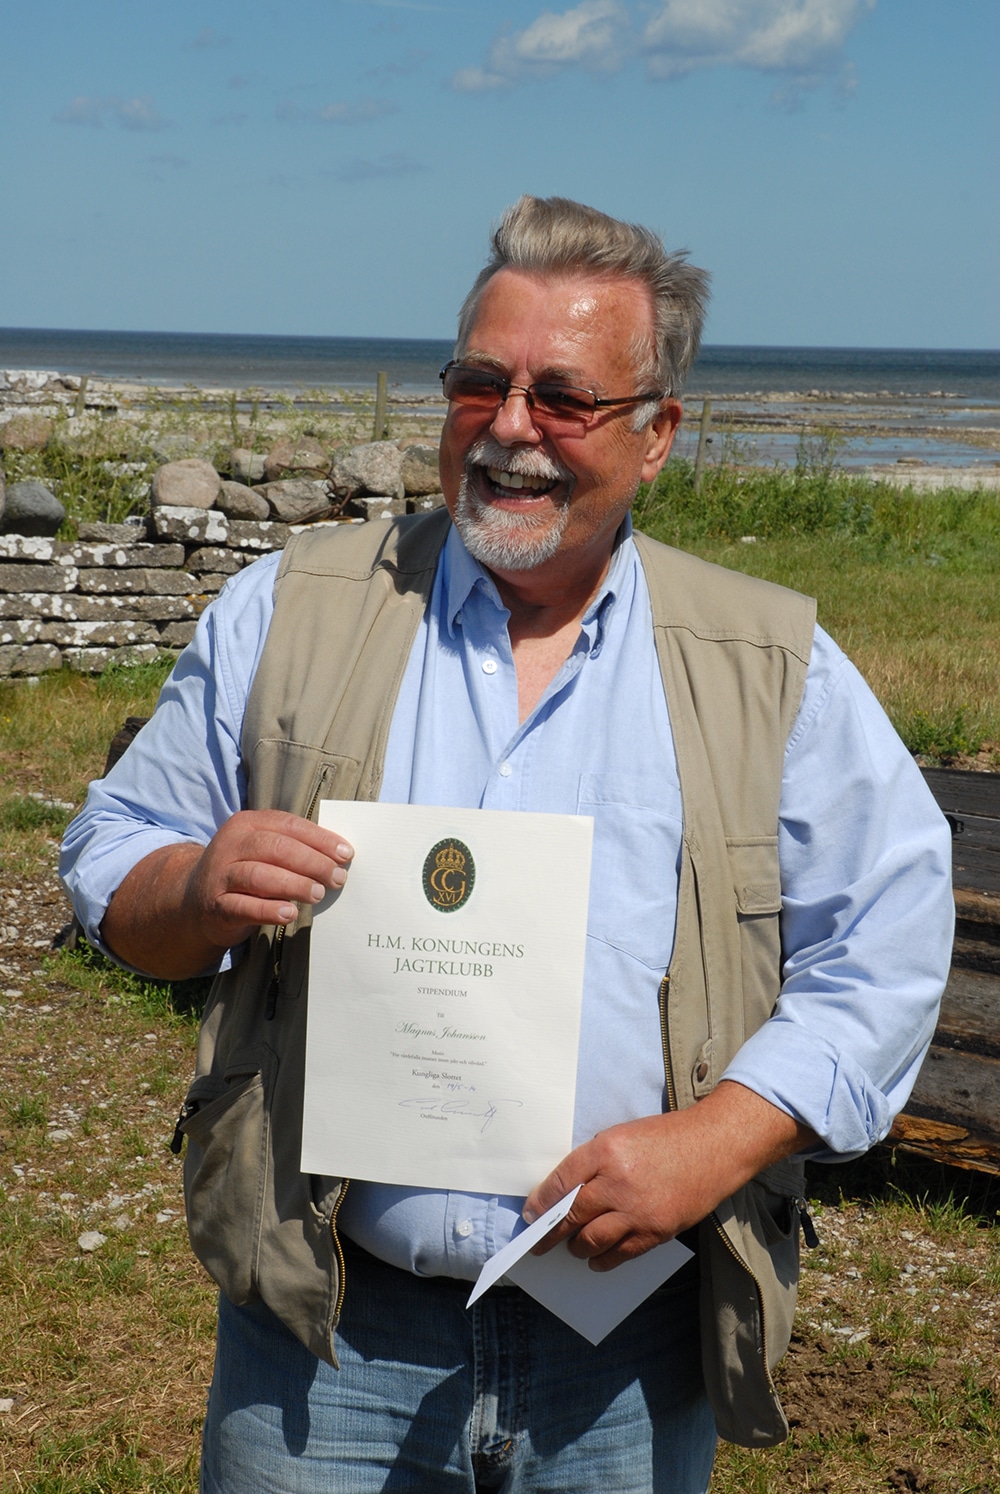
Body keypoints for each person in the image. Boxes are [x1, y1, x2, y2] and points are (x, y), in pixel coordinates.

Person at [61, 195, 953, 1494]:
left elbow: (890, 936)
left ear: (659, 435)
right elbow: (108, 847)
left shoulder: (770, 666)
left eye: (565, 395)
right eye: (479, 381)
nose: (512, 426)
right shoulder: (291, 612)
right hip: (327, 1340)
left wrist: (718, 1137)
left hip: (628, 1357)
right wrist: (193, 885)